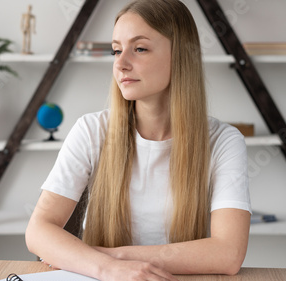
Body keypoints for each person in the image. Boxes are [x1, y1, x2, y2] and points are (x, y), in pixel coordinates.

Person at [25, 0, 251, 280]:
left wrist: (113, 256)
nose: (120, 64)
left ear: (181, 55)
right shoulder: (90, 130)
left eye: (139, 48)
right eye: (116, 50)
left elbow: (227, 255)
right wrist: (109, 268)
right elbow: (38, 230)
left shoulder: (224, 142)